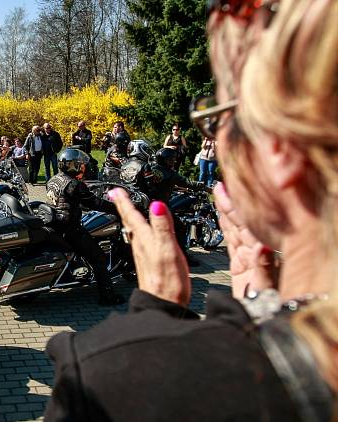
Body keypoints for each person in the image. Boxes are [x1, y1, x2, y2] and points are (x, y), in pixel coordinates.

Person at [47, 2, 338, 420]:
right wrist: (264, 311)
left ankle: (107, 288)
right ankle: (104, 285)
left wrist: (152, 322)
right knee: (94, 257)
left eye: (219, 118)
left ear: (280, 150)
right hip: (72, 227)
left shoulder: (102, 384)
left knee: (96, 255)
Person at [45, 148, 126, 307]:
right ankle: (107, 297)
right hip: (70, 228)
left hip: (55, 223)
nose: (82, 167)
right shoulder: (74, 184)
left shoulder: (53, 179)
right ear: (71, 166)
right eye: (79, 165)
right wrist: (118, 208)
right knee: (99, 258)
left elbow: (67, 200)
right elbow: (95, 203)